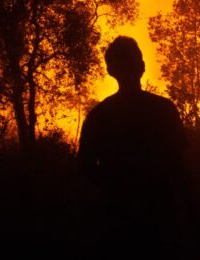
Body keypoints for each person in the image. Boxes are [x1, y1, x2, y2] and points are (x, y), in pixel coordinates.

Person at [78, 36, 187, 256]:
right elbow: (181, 167)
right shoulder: (164, 110)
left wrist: (113, 188)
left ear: (111, 70)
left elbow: (84, 168)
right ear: (142, 66)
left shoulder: (99, 115)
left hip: (118, 222)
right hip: (160, 220)